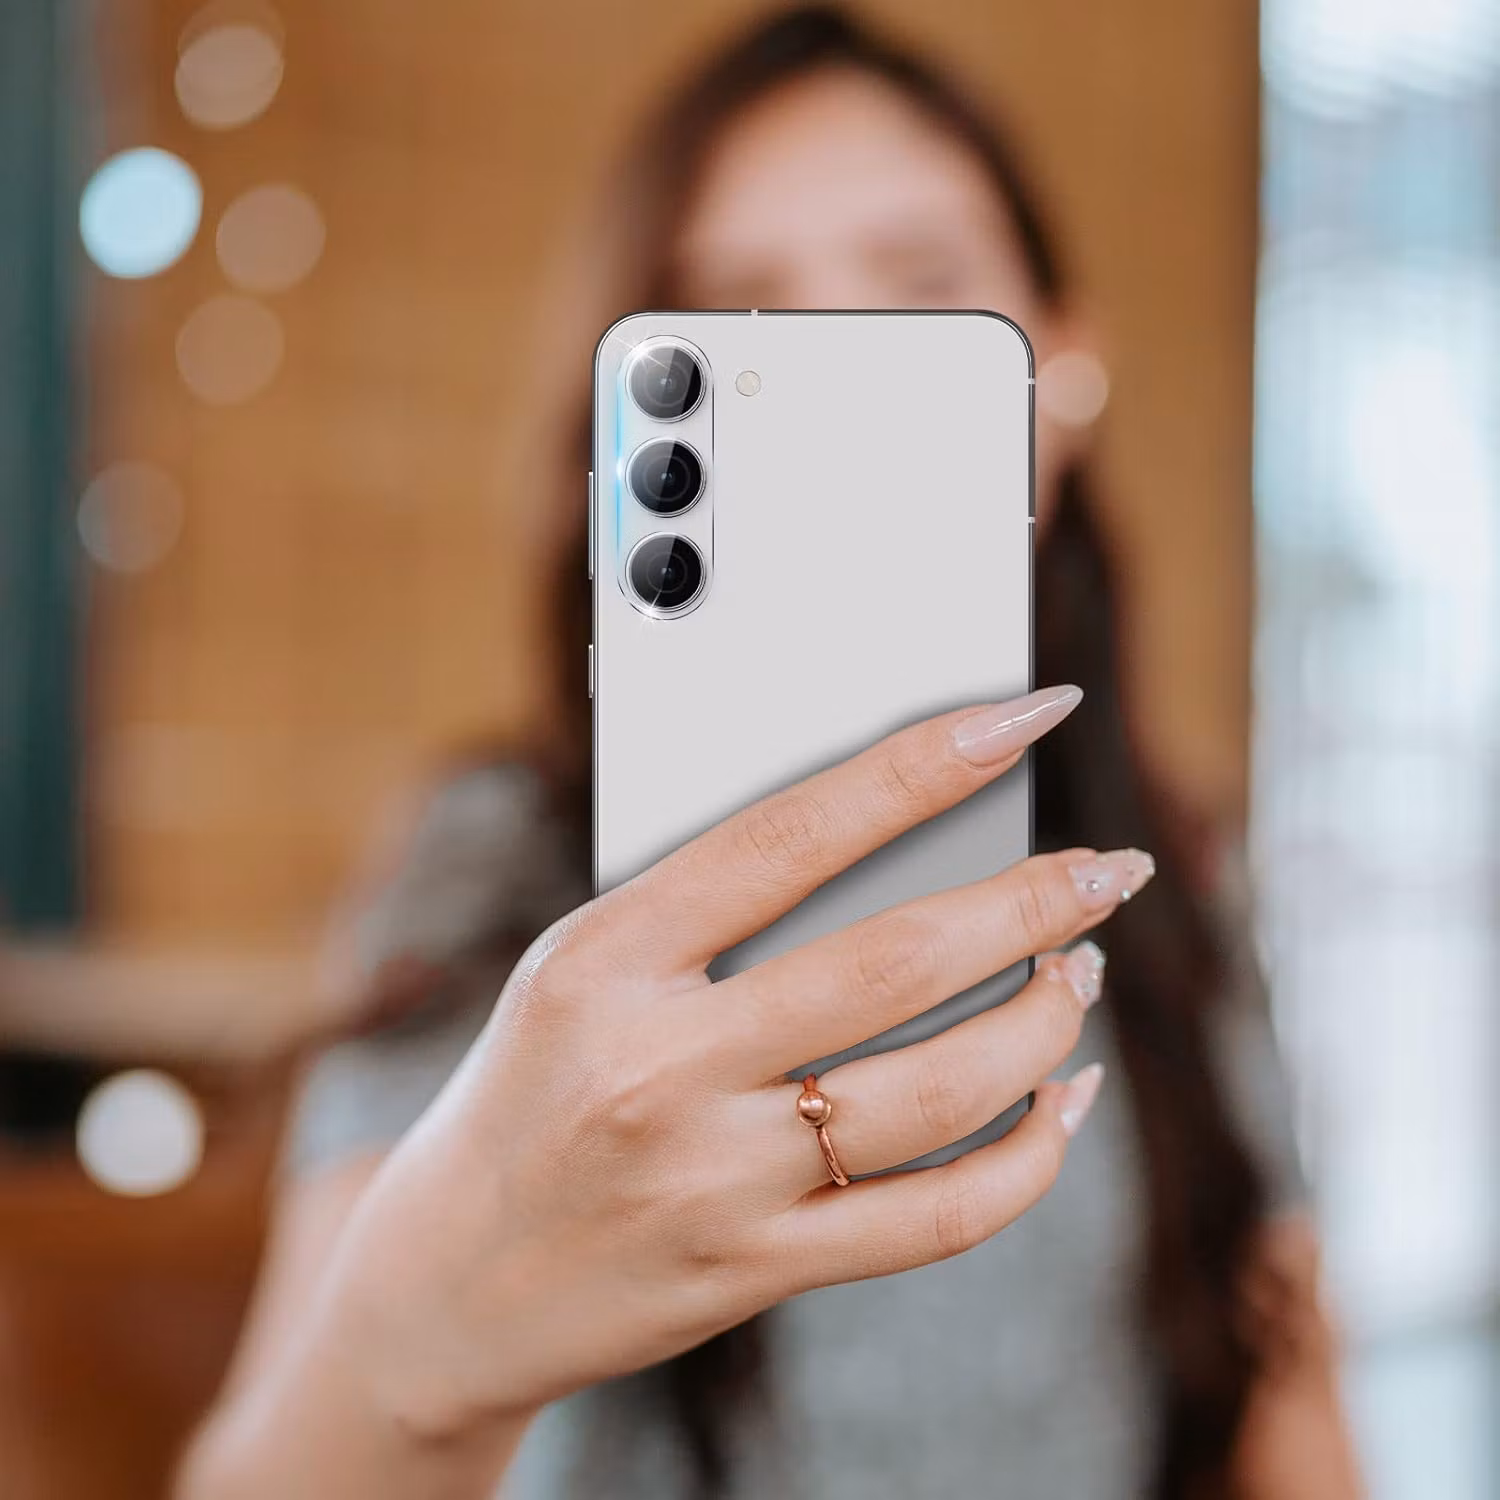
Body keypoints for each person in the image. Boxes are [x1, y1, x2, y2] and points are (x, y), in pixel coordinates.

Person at [177, 8, 1361, 1498]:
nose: (839, 358)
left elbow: (1296, 1422)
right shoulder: (504, 860)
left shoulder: (1174, 874)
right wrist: (420, 1341)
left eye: (922, 285)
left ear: (1063, 378)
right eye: (743, 310)